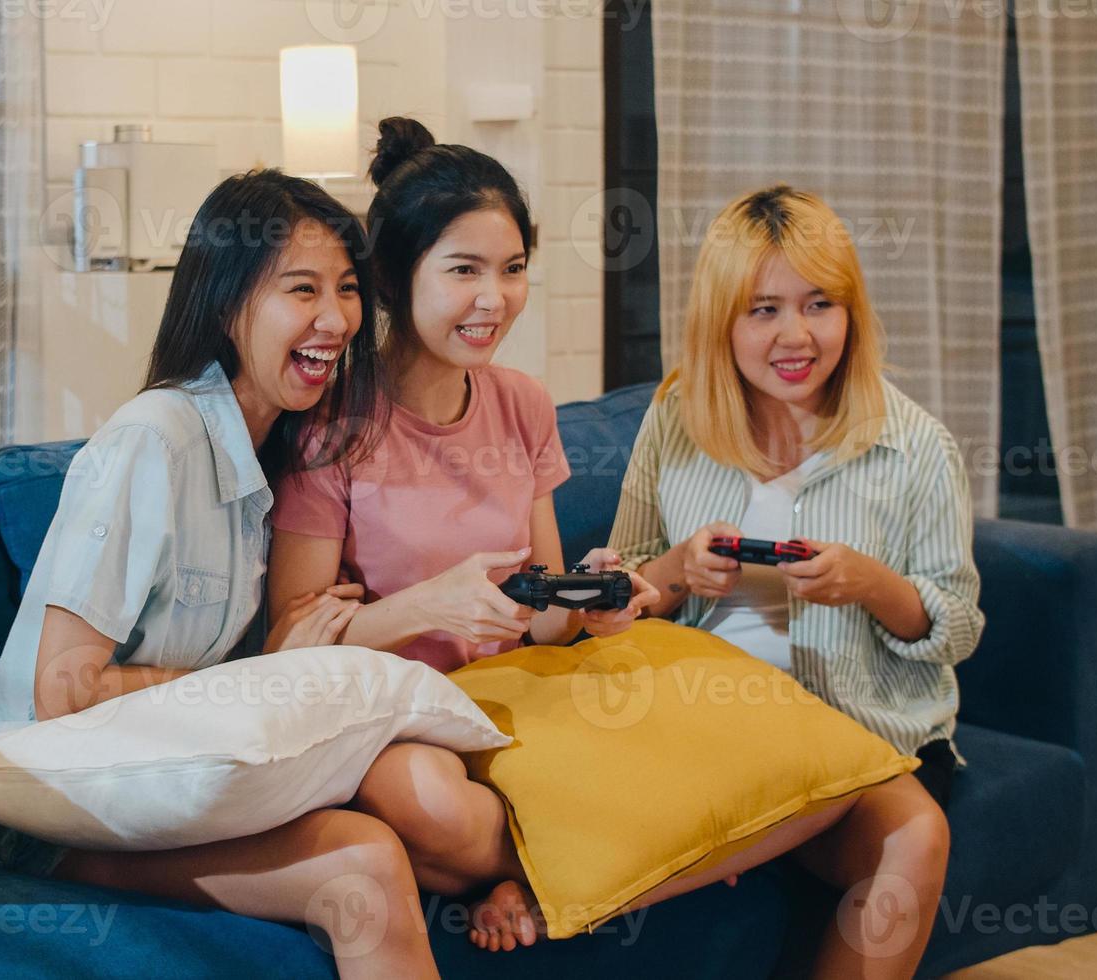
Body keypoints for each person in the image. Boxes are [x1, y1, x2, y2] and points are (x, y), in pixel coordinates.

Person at [268, 119, 848, 953]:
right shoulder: (332, 424)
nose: (493, 299)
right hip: (402, 719)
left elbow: (544, 615)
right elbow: (291, 636)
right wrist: (427, 608)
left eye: (511, 271)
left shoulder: (521, 404)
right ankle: (631, 857)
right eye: (463, 270)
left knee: (790, 747)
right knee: (420, 802)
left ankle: (559, 872)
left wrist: (590, 597)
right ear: (394, 275)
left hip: (525, 697)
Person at [0, 169, 437, 978]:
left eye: (349, 290)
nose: (336, 319)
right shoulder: (154, 442)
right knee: (362, 866)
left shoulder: (275, 454)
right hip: (51, 804)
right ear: (227, 306)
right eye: (303, 289)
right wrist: (260, 682)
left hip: (173, 783)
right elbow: (65, 690)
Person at [611, 183, 983, 976]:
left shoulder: (916, 445)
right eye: (763, 309)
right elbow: (621, 590)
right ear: (724, 321)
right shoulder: (678, 419)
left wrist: (872, 584)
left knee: (915, 836)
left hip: (855, 732)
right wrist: (677, 572)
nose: (797, 335)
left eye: (820, 304)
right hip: (704, 722)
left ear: (851, 313)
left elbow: (957, 627)